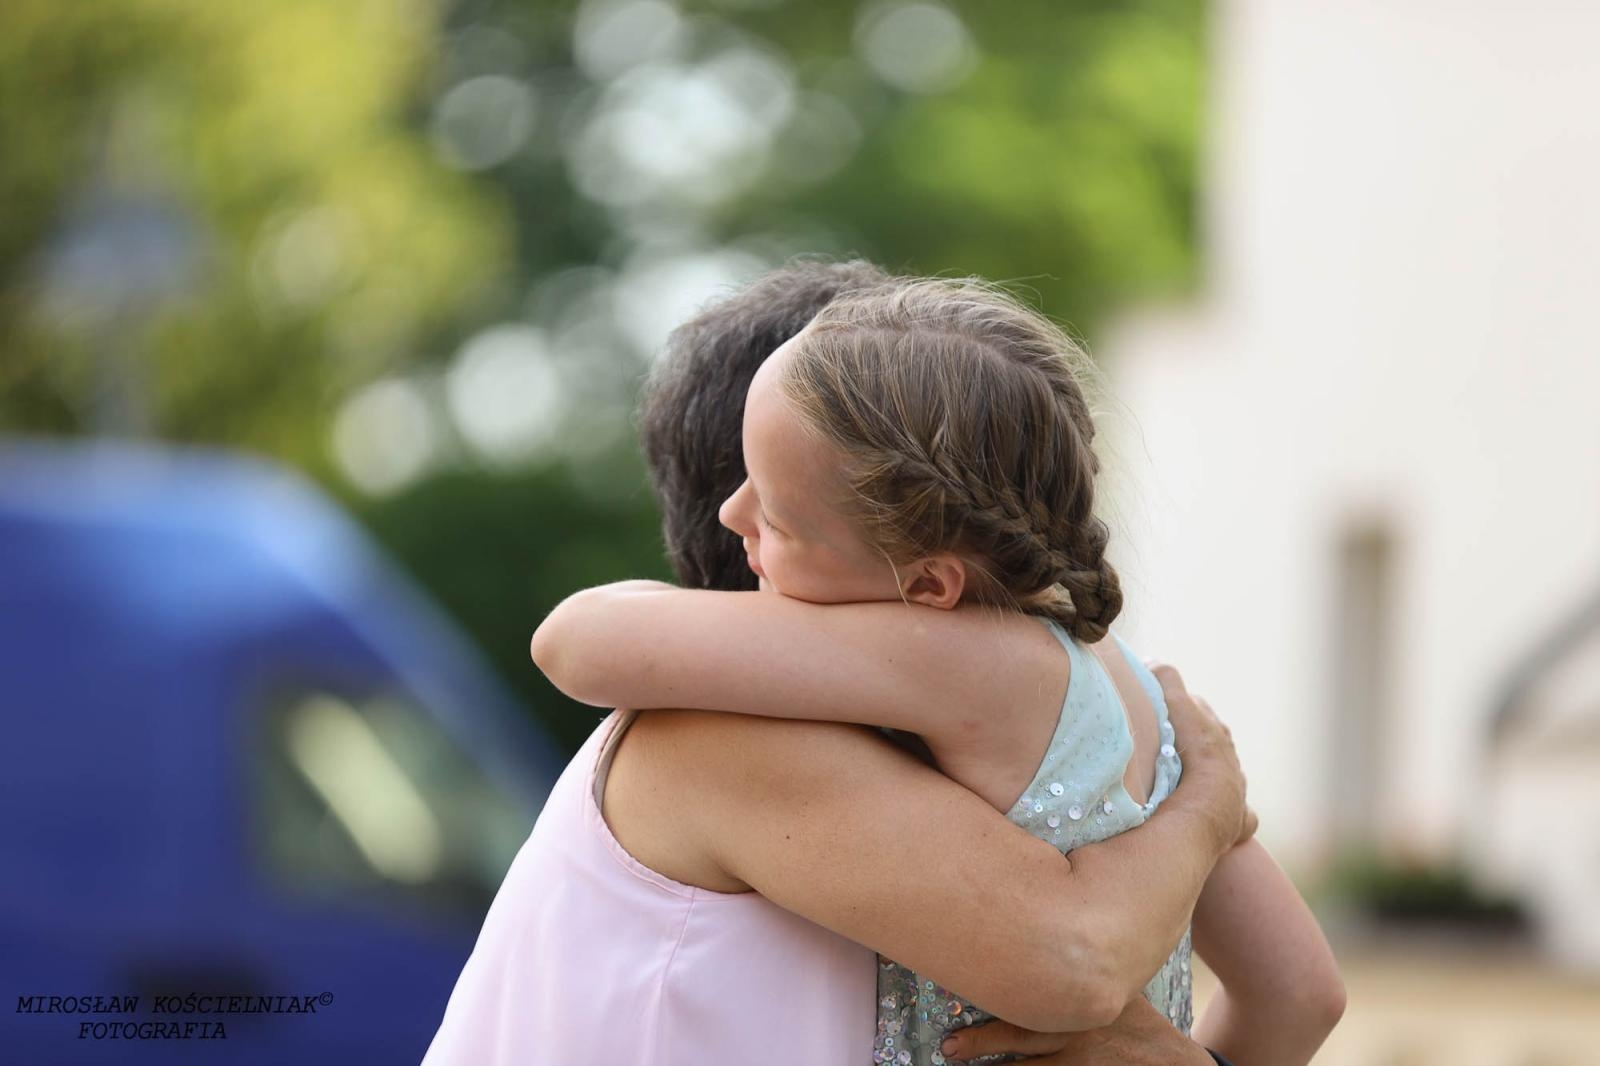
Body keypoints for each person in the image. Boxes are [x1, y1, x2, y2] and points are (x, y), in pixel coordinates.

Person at [423, 262, 1258, 1066]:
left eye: (775, 505)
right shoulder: (1109, 673)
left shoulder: (955, 667)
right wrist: (1206, 810)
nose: (734, 513)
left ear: (924, 578)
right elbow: (1298, 992)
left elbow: (574, 639)